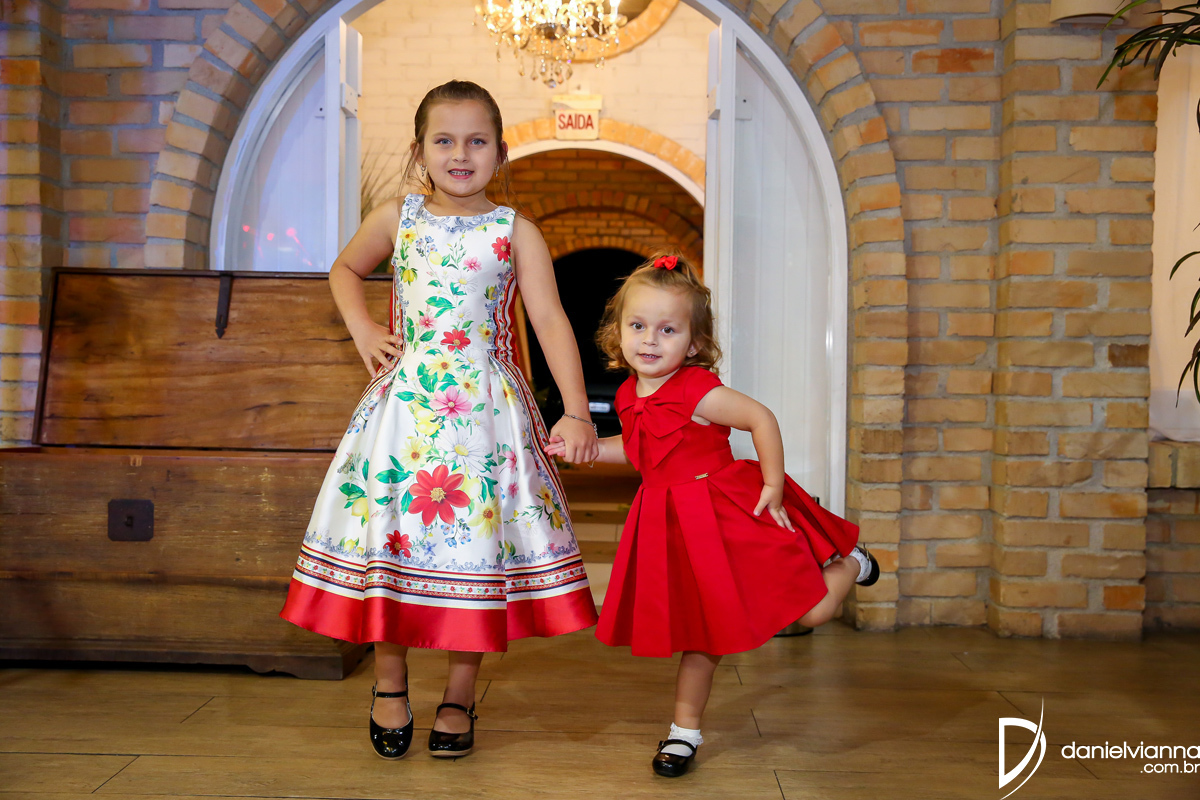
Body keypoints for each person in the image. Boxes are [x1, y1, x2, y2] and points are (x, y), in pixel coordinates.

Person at [281, 80, 600, 761]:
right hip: (405, 412)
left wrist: (575, 411)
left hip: (484, 417)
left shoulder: (515, 231)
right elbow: (344, 270)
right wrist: (363, 328)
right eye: (445, 140)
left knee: (474, 551)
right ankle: (389, 683)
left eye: (477, 141)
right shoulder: (396, 217)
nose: (461, 154)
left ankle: (459, 694)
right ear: (419, 150)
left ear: (501, 152)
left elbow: (549, 320)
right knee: (391, 542)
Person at [545, 254, 878, 778]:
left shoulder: (697, 389)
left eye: (668, 329)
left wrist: (772, 485)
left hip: (729, 514)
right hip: (673, 526)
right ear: (618, 332)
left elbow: (760, 418)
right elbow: (639, 450)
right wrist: (582, 450)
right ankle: (684, 733)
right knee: (700, 637)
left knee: (812, 613)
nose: (650, 339)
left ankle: (852, 561)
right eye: (638, 326)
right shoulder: (630, 393)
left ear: (694, 343)